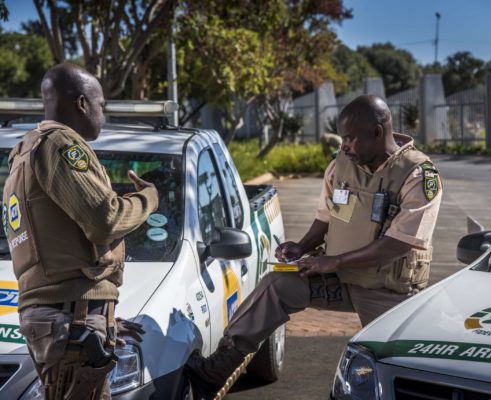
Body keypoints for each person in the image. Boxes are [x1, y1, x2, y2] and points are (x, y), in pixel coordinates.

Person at [186, 95, 442, 399]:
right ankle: (219, 367)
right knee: (278, 285)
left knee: (387, 367)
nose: (344, 144)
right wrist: (302, 246)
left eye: (350, 137)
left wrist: (334, 261)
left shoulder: (418, 174)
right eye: (342, 137)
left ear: (377, 131)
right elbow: (330, 216)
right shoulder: (342, 165)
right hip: (342, 276)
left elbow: (399, 244)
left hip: (385, 289)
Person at [2, 63, 159, 399]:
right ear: (82, 104)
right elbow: (106, 220)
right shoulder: (60, 145)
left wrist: (105, 317)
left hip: (65, 314)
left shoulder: (24, 150)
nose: (103, 114)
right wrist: (148, 198)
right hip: (69, 316)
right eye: (101, 105)